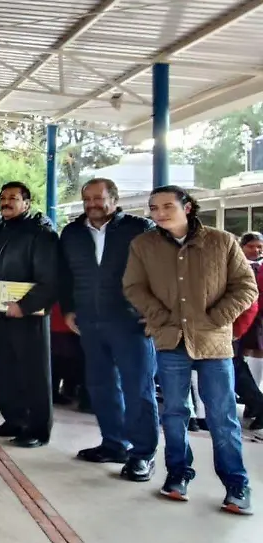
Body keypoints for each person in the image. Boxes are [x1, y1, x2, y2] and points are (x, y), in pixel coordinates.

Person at [124, 186, 257, 514]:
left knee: (222, 416)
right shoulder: (144, 245)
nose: (160, 213)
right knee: (174, 413)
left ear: (188, 207)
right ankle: (177, 475)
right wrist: (159, 317)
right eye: (154, 208)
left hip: (213, 344)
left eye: (168, 206)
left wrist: (217, 318)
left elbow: (246, 287)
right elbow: (134, 287)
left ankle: (236, 484)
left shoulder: (222, 241)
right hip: (170, 341)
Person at [58, 177, 159, 479]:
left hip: (130, 321)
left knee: (138, 388)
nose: (92, 204)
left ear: (114, 199)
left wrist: (156, 312)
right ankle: (114, 444)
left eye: (98, 198)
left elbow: (162, 272)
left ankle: (143, 454)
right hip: (89, 321)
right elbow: (66, 276)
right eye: (87, 199)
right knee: (100, 385)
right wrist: (68, 310)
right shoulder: (72, 233)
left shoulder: (140, 229)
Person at [0, 182, 59, 449]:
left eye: (13, 198)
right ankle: (14, 420)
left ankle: (38, 428)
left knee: (33, 373)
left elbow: (49, 279)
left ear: (26, 203)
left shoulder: (40, 233)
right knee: (4, 371)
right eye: (3, 197)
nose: (6, 202)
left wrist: (24, 306)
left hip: (29, 317)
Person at [239, 232, 263, 435]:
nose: (256, 250)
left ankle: (257, 404)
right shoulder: (239, 263)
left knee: (237, 368)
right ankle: (255, 404)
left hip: (247, 322)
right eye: (252, 246)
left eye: (259, 247)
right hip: (241, 323)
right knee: (238, 367)